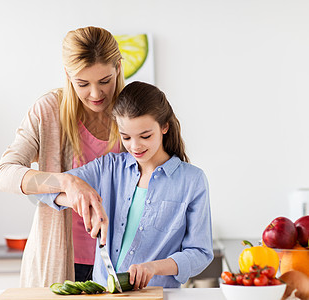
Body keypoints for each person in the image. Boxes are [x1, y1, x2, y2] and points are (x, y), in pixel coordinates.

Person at [38, 81, 214, 288]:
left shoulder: (192, 180)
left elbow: (200, 253)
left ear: (164, 126)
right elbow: (40, 189)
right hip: (104, 293)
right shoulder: (108, 168)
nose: (135, 146)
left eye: (145, 136)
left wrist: (154, 267)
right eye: (126, 137)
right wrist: (80, 200)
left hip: (157, 294)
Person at [0, 26, 125, 287]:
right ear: (67, 74)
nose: (96, 94)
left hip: (120, 263)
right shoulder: (48, 111)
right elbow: (4, 175)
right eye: (83, 84)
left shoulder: (133, 110)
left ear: (118, 68)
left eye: (105, 81)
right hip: (61, 262)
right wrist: (67, 182)